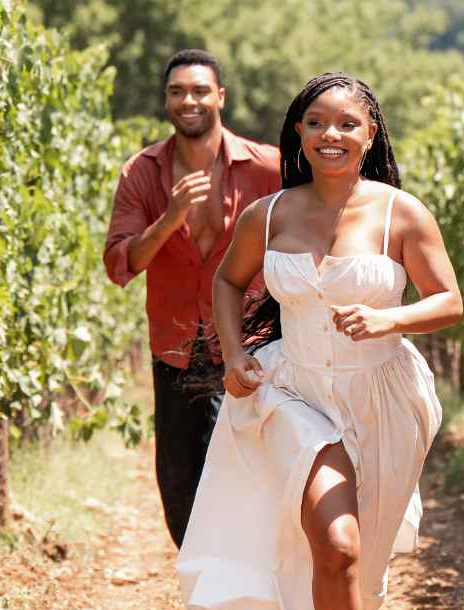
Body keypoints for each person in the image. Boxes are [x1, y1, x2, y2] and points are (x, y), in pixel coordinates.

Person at [175, 73, 462, 610]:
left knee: (365, 572)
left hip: (386, 396)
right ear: (298, 135)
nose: (330, 134)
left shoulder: (402, 214)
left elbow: (448, 300)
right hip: (298, 395)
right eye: (316, 123)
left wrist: (390, 316)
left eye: (346, 124)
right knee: (335, 545)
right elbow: (226, 281)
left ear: (370, 135)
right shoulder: (268, 216)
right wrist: (237, 352)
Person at [103, 49, 281, 548]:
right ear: (167, 100)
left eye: (200, 90)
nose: (189, 100)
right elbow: (121, 263)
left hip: (253, 346)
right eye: (177, 91)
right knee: (178, 485)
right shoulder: (142, 172)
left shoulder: (267, 168)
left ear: (220, 96)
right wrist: (170, 218)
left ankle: (240, 596)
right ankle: (205, 585)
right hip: (177, 347)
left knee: (250, 471)